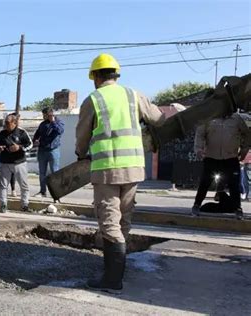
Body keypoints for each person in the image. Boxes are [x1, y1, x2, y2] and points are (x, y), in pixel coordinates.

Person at [76, 53, 166, 294]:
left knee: (109, 221)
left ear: (95, 76)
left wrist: (80, 152)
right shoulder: (133, 95)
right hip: (134, 167)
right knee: (124, 220)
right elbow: (159, 119)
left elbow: (82, 137)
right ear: (116, 74)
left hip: (107, 170)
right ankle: (115, 271)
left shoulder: (93, 100)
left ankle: (113, 279)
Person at [192, 113, 249, 219]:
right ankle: (196, 205)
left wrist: (244, 150)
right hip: (211, 157)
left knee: (234, 185)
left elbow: (247, 134)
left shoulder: (236, 119)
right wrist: (198, 149)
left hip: (231, 158)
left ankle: (238, 209)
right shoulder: (208, 117)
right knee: (205, 182)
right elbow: (200, 134)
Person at [0, 114, 33, 213]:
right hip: (5, 163)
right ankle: (3, 205)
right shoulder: (1, 133)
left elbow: (30, 144)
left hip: (19, 163)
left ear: (14, 123)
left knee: (24, 185)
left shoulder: (21, 132)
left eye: (8, 123)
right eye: (5, 123)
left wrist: (19, 147)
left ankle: (24, 205)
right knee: (3, 185)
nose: (6, 125)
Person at [33, 107, 64, 197]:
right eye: (43, 115)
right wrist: (35, 140)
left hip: (53, 150)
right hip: (42, 150)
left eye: (45, 115)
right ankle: (43, 191)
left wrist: (53, 122)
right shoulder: (42, 124)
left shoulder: (58, 122)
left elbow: (60, 131)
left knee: (54, 172)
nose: (43, 116)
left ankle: (57, 193)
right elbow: (37, 134)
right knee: (42, 172)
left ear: (50, 114)